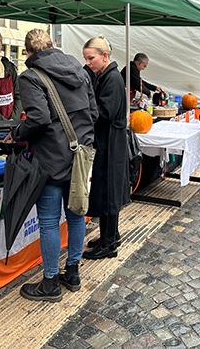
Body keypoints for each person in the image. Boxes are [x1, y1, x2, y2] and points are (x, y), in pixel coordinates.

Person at [9, 29, 97, 302]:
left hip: (49, 160)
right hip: (79, 156)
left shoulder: (31, 77)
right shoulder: (80, 71)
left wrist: (17, 133)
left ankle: (50, 283)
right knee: (75, 215)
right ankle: (72, 273)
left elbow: (39, 120)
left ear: (28, 53)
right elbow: (93, 113)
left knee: (48, 222)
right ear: (53, 45)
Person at [82, 35, 131, 259]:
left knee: (109, 192)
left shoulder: (111, 78)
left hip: (111, 144)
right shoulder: (106, 75)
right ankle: (110, 235)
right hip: (108, 142)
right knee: (104, 191)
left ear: (104, 56)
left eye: (91, 58)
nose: (88, 62)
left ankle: (109, 243)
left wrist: (85, 108)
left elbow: (105, 112)